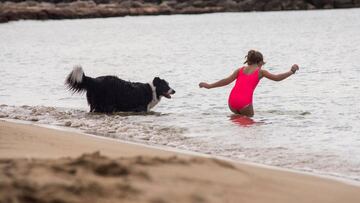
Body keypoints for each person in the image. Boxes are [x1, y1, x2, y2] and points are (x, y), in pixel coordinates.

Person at [199, 50, 299, 117]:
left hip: (232, 102)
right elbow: (277, 78)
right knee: (251, 129)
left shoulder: (240, 70)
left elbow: (226, 80)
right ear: (260, 62)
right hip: (244, 103)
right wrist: (291, 72)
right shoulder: (261, 72)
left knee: (238, 125)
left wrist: (209, 86)